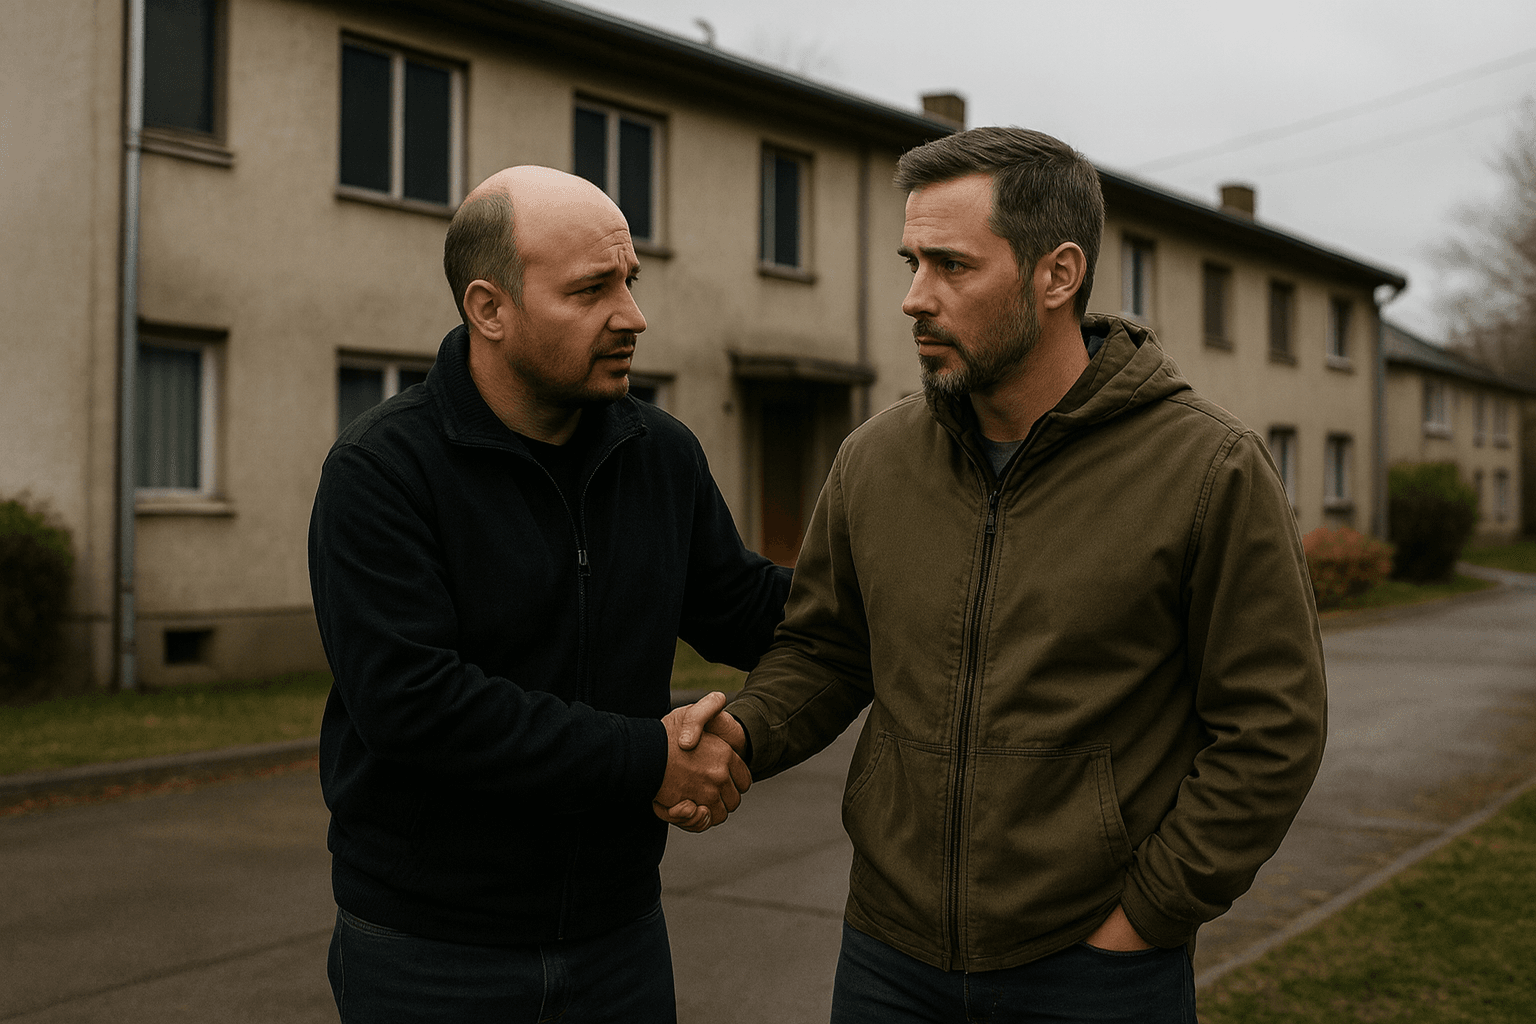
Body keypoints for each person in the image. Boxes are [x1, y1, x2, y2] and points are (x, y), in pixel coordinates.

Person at [679, 127, 1327, 1022]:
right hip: (888, 957)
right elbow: (828, 651)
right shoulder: (875, 459)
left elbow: (1272, 727)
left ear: (1057, 274)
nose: (914, 298)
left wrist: (1149, 914)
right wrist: (741, 733)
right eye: (911, 262)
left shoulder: (1208, 469)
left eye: (952, 266)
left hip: (1093, 968)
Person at [308, 165, 791, 1023]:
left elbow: (747, 608)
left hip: (618, 940)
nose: (633, 316)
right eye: (592, 290)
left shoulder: (659, 455)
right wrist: (651, 756)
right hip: (429, 955)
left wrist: (911, 586)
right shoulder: (383, 471)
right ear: (489, 308)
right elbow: (417, 706)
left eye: (631, 283)